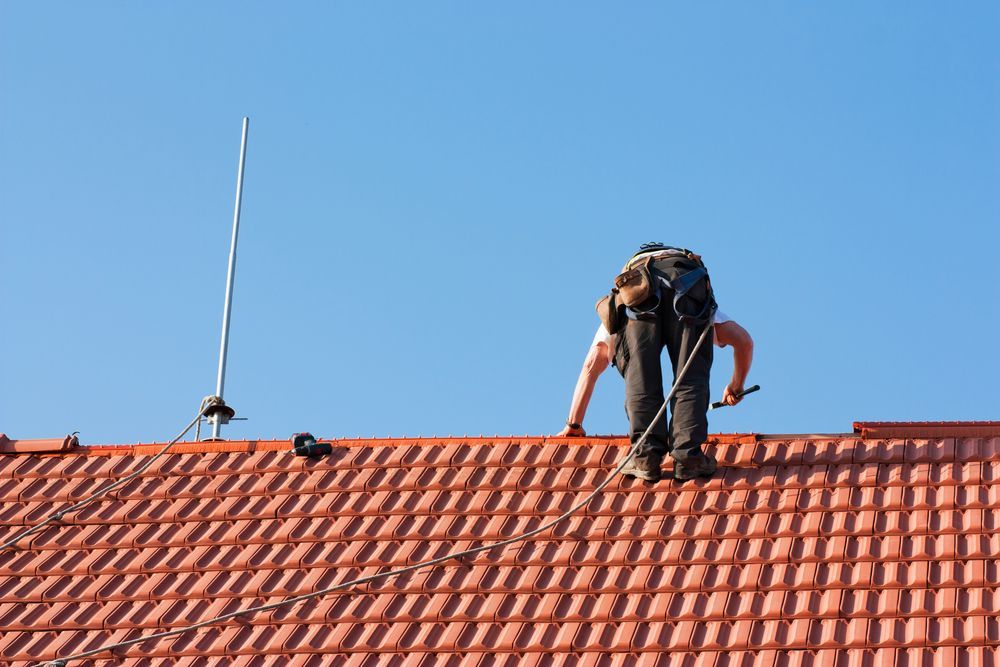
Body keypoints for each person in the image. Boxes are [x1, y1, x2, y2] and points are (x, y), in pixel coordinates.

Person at [557, 243, 753, 482]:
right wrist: (736, 385)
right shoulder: (704, 309)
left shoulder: (622, 309)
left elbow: (591, 365)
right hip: (688, 285)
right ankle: (689, 459)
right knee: (690, 376)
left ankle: (645, 458)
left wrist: (574, 424)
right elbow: (744, 341)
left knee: (641, 374)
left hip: (637, 291)